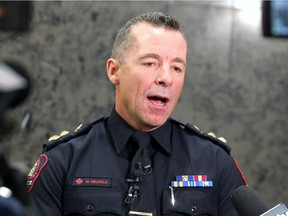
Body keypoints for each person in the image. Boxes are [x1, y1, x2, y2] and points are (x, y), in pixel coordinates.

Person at [27, 12, 247, 215]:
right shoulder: (62, 160)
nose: (166, 78)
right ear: (114, 71)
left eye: (177, 68)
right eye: (151, 63)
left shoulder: (215, 161)